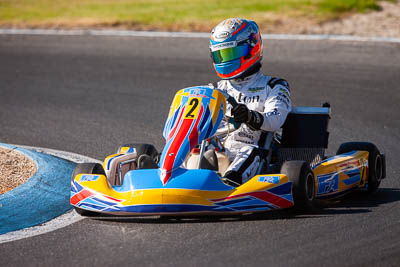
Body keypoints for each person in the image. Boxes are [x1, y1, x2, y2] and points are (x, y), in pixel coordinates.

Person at [208, 18, 292, 185]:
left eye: (230, 54)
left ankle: (228, 184)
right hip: (218, 150)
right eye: (220, 55)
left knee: (248, 151)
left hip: (257, 152)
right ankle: (168, 174)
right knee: (196, 149)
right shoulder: (213, 89)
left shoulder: (274, 86)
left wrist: (250, 117)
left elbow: (275, 120)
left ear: (251, 48)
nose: (225, 60)